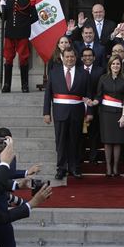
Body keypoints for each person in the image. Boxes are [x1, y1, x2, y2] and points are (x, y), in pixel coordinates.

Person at [43, 48, 92, 180]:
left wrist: (89, 112)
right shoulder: (53, 73)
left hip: (77, 112)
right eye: (67, 57)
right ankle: (61, 169)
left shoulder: (84, 74)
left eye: (72, 57)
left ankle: (74, 168)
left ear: (76, 58)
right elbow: (48, 94)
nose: (69, 59)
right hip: (60, 112)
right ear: (62, 57)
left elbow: (88, 95)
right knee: (60, 142)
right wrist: (46, 112)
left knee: (75, 142)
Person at [89, 55, 124, 177]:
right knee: (107, 141)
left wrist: (123, 116)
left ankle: (116, 167)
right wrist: (93, 102)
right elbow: (99, 95)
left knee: (117, 141)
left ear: (121, 66)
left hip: (119, 113)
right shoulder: (103, 78)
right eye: (113, 64)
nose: (115, 66)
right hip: (105, 113)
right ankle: (108, 167)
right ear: (109, 65)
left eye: (117, 64)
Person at [0, 0, 38, 93]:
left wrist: (25, 24)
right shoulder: (7, 0)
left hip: (22, 33)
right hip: (10, 33)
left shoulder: (27, 0)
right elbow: (3, 18)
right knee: (8, 59)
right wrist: (1, 8)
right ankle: (6, 85)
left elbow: (35, 17)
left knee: (23, 59)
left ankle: (24, 85)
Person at [79, 47, 105, 165]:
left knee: (94, 134)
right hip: (79, 106)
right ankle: (80, 157)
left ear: (94, 58)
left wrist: (94, 101)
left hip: (95, 106)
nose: (87, 57)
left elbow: (102, 89)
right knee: (80, 134)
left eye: (90, 55)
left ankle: (93, 157)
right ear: (81, 58)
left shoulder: (100, 71)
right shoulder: (78, 70)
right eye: (85, 55)